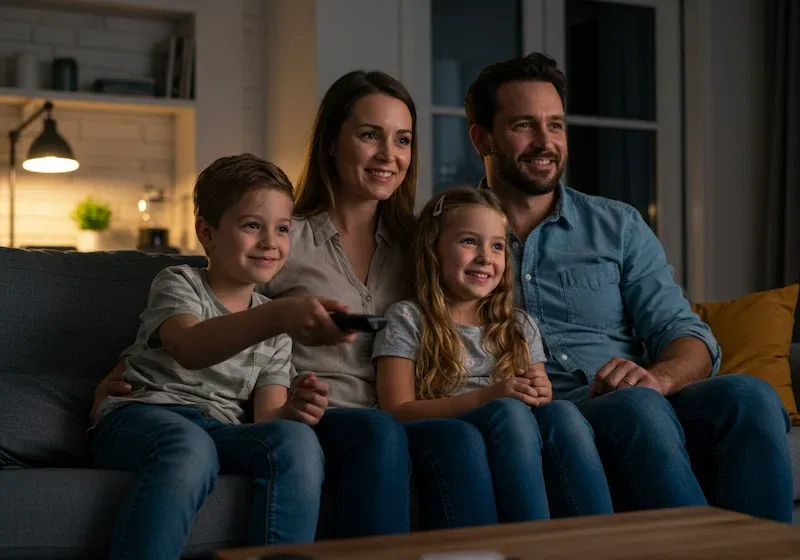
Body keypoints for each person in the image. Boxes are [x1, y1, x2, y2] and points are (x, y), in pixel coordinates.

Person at [464, 52, 793, 521]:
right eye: (523, 125)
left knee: (750, 396)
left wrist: (658, 378)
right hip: (553, 414)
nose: (545, 142)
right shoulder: (449, 240)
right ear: (482, 138)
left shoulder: (616, 225)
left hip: (643, 399)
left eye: (555, 125)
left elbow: (686, 334)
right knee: (636, 409)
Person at [262, 70, 503, 533]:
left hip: (408, 413)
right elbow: (216, 302)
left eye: (403, 140)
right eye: (370, 136)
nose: (389, 156)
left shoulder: (423, 247)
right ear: (331, 142)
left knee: (459, 440)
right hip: (321, 418)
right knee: (378, 433)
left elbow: (475, 316)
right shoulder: (285, 236)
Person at [90, 154, 357, 560]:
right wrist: (275, 316)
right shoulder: (180, 282)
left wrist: (295, 411)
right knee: (190, 446)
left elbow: (266, 421)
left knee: (297, 441)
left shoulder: (275, 331)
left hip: (219, 430)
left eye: (282, 229)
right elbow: (189, 346)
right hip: (142, 415)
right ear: (207, 233)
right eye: (252, 225)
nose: (271, 242)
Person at [373, 186, 614, 522]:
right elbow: (396, 411)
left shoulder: (518, 325)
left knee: (564, 414)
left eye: (497, 246)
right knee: (510, 413)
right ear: (433, 249)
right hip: (448, 433)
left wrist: (540, 393)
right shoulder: (407, 318)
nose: (486, 256)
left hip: (515, 431)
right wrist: (489, 397)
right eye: (469, 241)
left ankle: (600, 541)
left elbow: (540, 398)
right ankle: (530, 541)